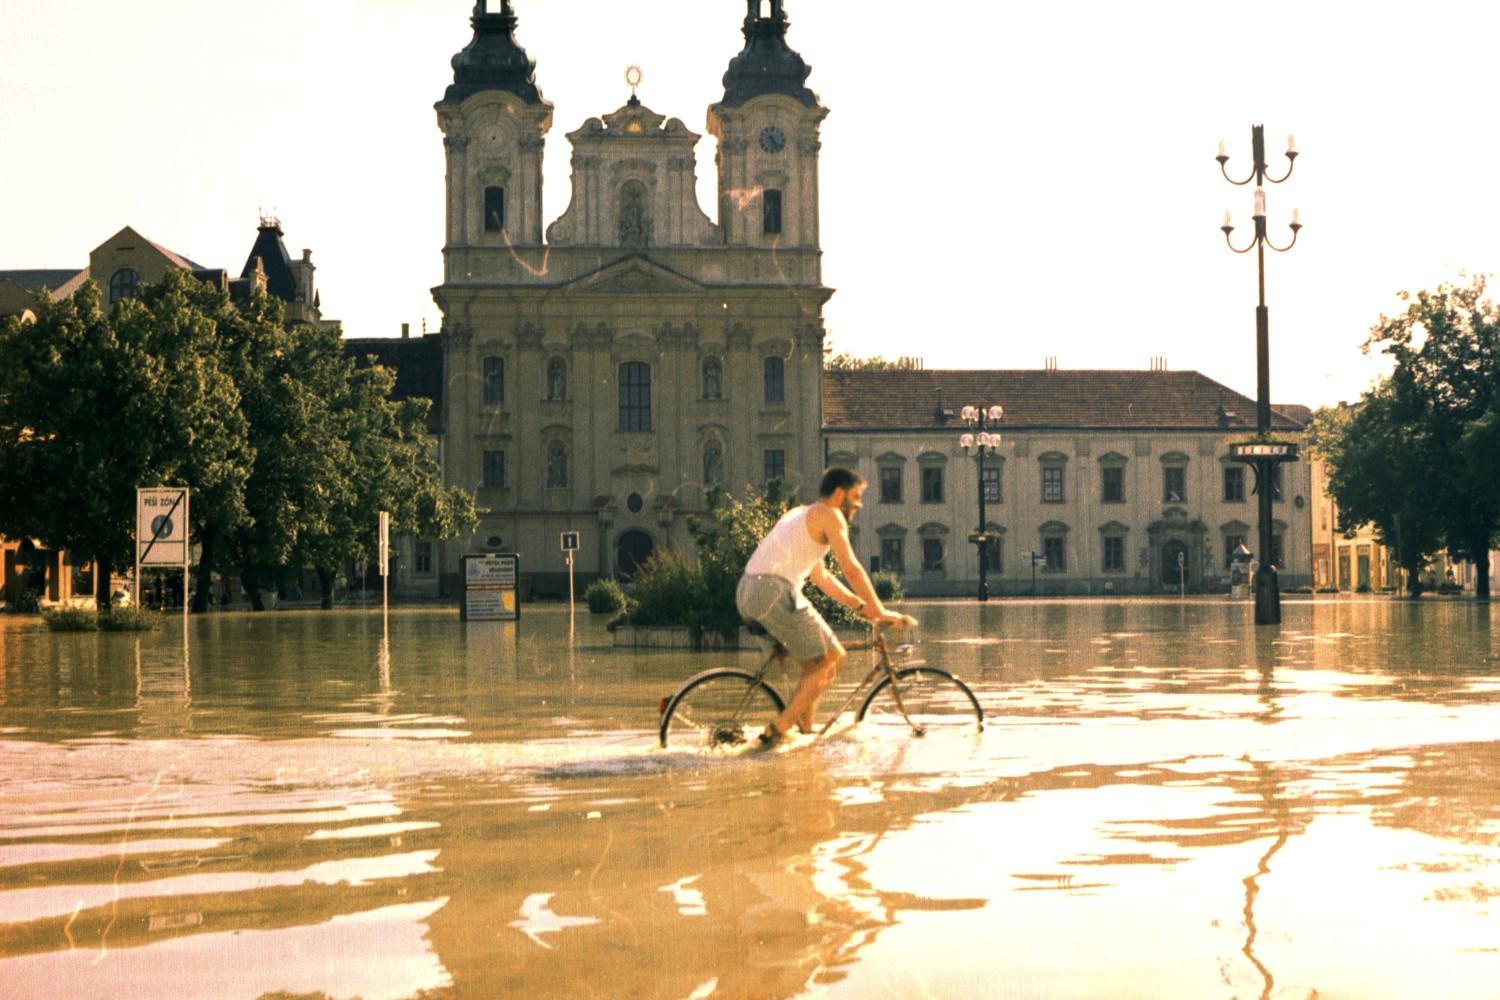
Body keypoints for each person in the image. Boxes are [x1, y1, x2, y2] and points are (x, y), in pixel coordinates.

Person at [736, 467, 915, 747]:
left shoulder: (801, 514)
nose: (859, 505)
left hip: (748, 590)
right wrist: (881, 612)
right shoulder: (830, 515)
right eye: (856, 497)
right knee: (834, 657)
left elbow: (822, 578)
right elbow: (853, 569)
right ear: (839, 494)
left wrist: (859, 605)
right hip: (772, 590)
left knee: (814, 665)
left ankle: (804, 731)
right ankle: (778, 729)